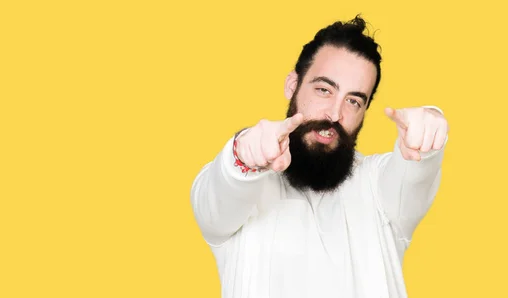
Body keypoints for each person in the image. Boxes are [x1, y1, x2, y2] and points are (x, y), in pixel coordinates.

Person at [189, 15, 449, 298]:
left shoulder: (379, 188)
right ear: (293, 85)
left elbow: (414, 175)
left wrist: (429, 133)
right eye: (324, 89)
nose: (335, 114)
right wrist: (243, 155)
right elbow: (218, 199)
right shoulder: (238, 187)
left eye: (353, 101)